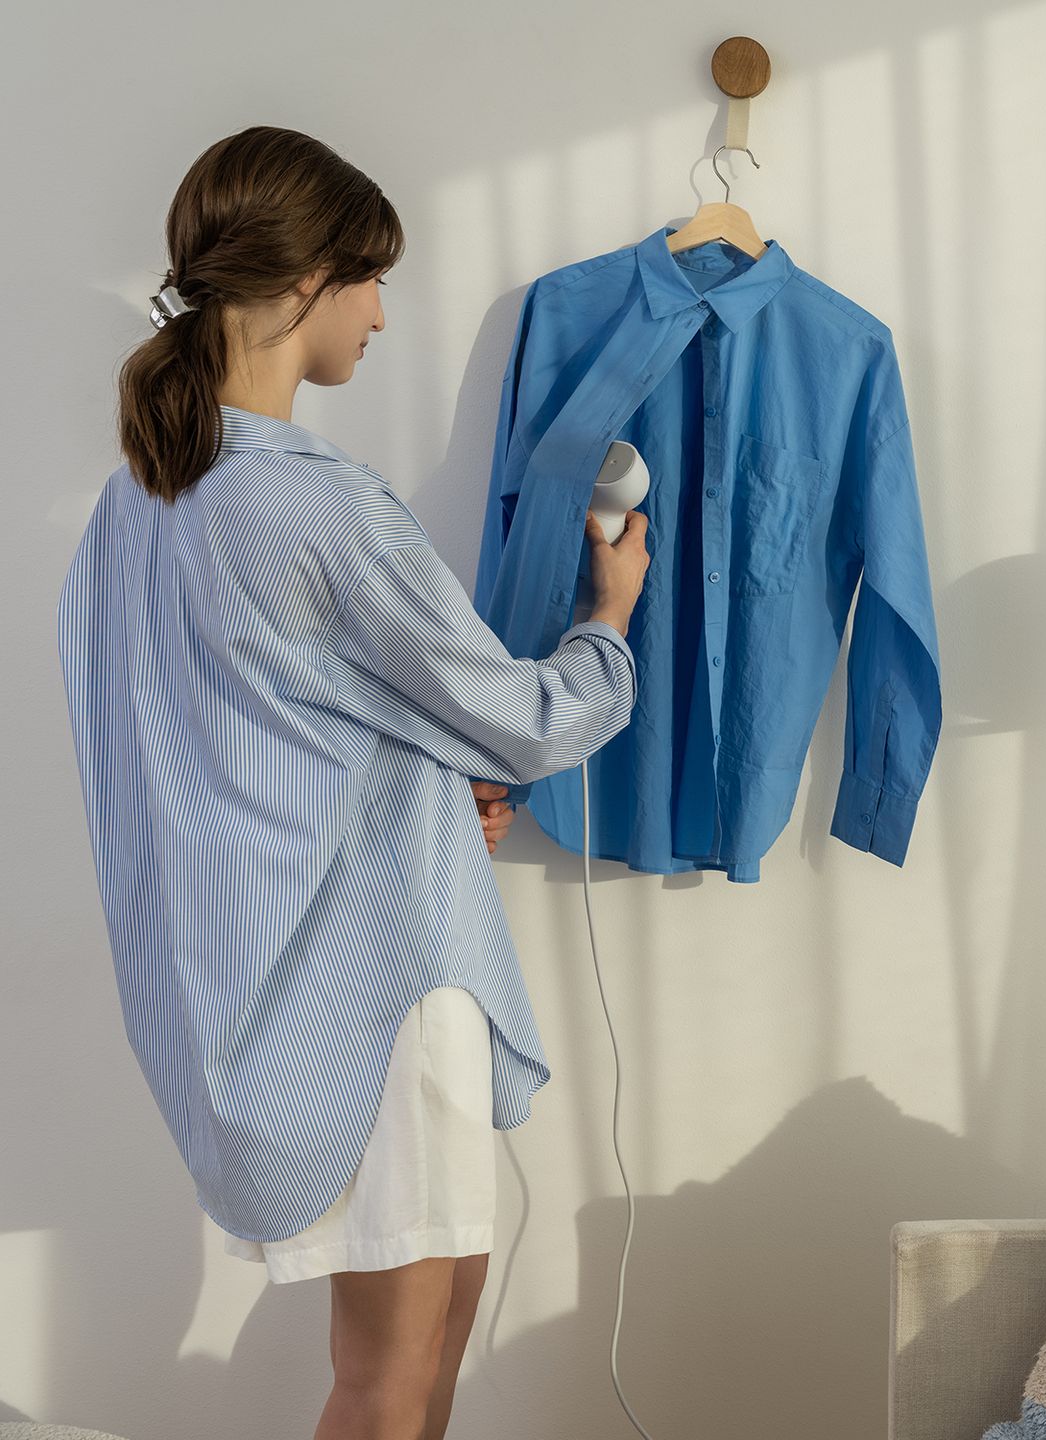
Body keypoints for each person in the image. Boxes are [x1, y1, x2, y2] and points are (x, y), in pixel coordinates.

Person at [58, 125, 648, 1440]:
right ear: (304, 279)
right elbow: (529, 722)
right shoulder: (319, 505)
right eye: (369, 276)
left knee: (426, 1336)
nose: (383, 312)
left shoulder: (136, 504)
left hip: (283, 984)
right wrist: (612, 615)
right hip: (376, 991)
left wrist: (424, 789)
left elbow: (217, 751)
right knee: (395, 1371)